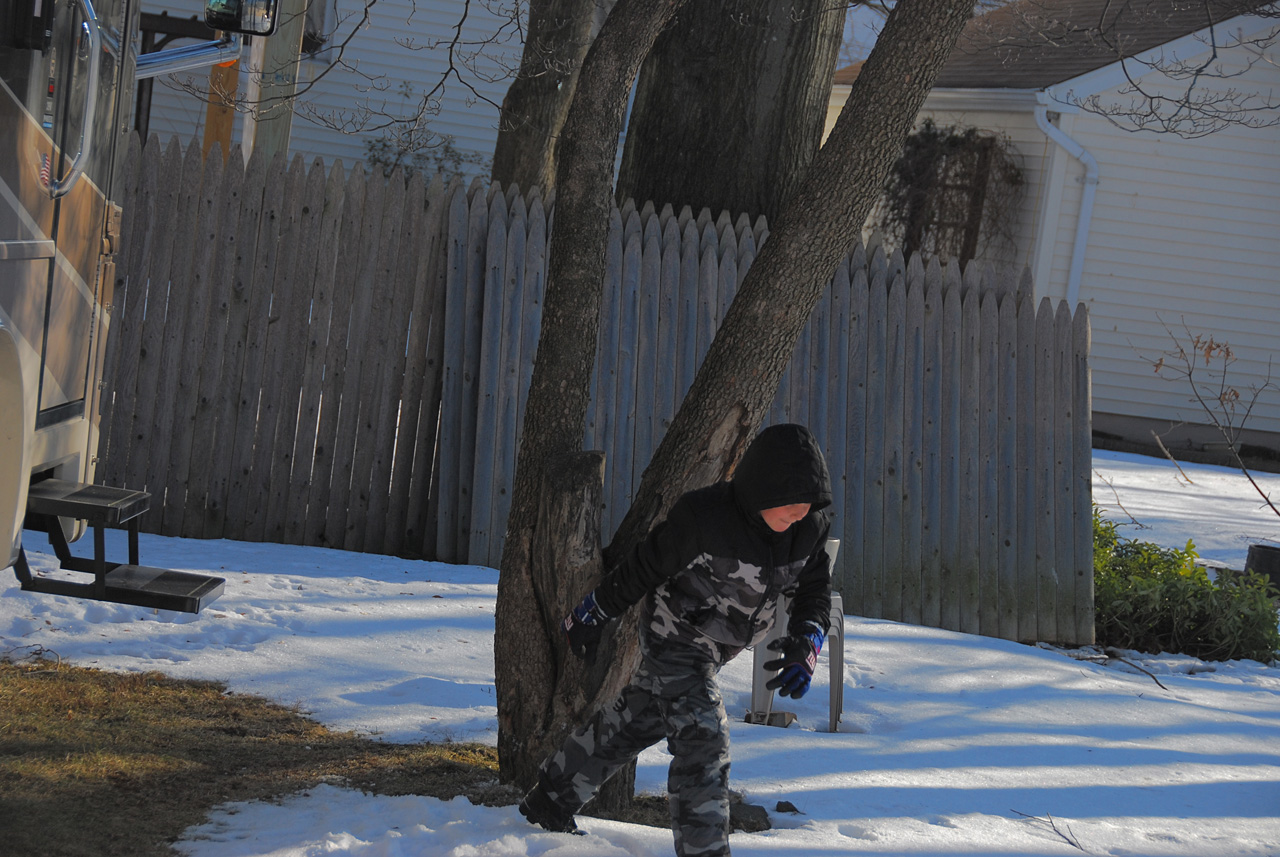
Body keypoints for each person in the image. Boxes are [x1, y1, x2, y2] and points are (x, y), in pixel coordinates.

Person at [518, 423, 834, 857]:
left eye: (808, 507)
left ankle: (548, 803)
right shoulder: (704, 517)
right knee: (704, 737)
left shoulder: (808, 529)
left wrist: (807, 643)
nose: (800, 515)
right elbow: (643, 567)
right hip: (676, 635)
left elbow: (814, 592)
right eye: (792, 507)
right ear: (764, 491)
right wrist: (593, 613)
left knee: (637, 718)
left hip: (719, 647)